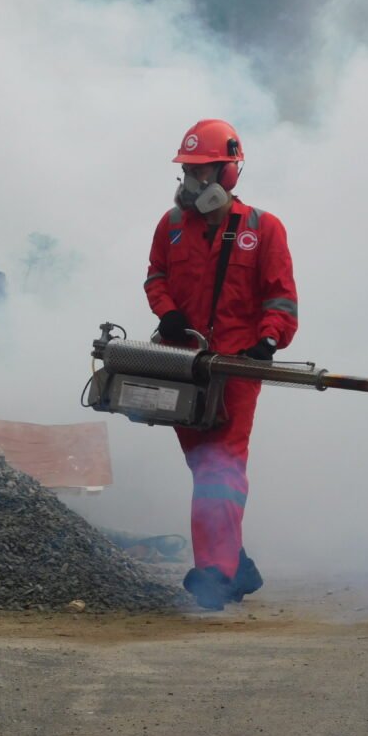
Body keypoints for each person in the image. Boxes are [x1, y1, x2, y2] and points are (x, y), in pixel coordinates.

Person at [144, 119, 298, 609]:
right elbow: (156, 277)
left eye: (203, 170)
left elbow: (281, 297)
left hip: (236, 369)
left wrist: (268, 341)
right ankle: (238, 563)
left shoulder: (263, 229)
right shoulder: (169, 228)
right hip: (184, 366)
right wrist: (166, 311)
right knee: (202, 465)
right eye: (187, 170)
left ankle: (213, 574)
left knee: (221, 467)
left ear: (229, 173)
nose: (193, 181)